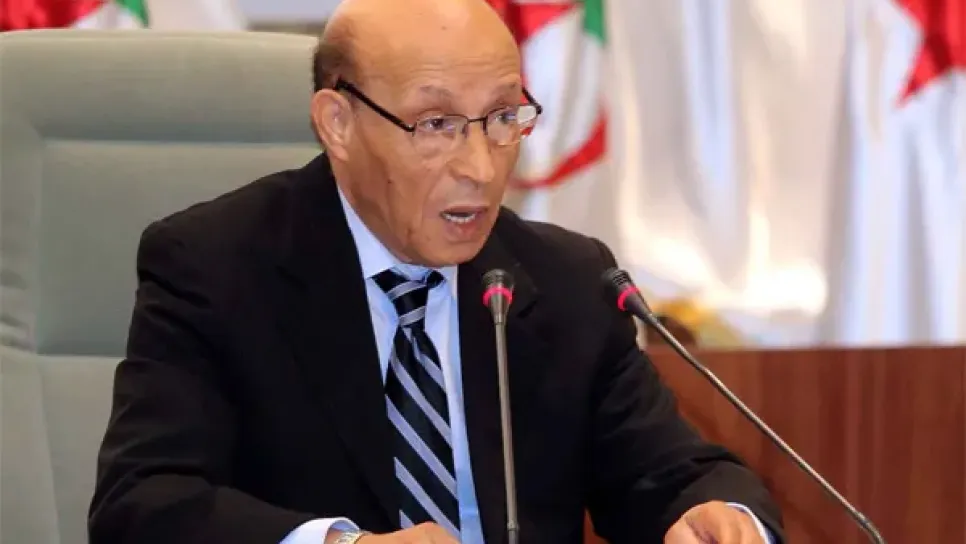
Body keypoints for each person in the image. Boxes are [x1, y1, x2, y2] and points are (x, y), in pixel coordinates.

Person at [88, 0, 783, 542]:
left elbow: (671, 474)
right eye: (436, 124)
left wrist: (718, 515)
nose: (480, 167)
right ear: (337, 123)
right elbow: (143, 504)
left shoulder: (567, 282)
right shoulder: (216, 267)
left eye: (503, 117)